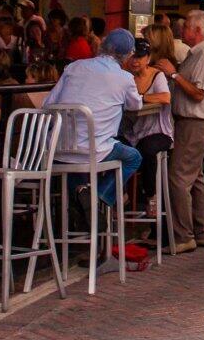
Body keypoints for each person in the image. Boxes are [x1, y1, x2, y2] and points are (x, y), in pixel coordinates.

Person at [42, 29, 146, 211]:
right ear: (129, 55)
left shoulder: (74, 67)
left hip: (56, 150)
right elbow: (135, 106)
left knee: (78, 164)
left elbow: (49, 104)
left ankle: (81, 203)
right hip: (94, 152)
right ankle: (97, 197)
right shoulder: (125, 78)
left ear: (102, 46)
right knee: (133, 157)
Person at [166, 9, 204, 253]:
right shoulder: (195, 53)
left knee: (178, 177)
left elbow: (199, 93)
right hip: (189, 121)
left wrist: (174, 74)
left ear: (197, 31)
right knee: (194, 177)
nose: (182, 29)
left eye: (186, 26)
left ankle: (183, 235)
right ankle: (201, 230)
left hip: (193, 121)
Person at [121, 39, 173, 214]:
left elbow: (165, 97)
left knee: (146, 150)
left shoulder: (157, 76)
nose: (135, 61)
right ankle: (121, 193)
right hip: (132, 132)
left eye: (140, 57)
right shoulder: (125, 77)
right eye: (133, 56)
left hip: (158, 131)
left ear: (148, 58)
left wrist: (141, 98)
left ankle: (151, 195)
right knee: (114, 147)